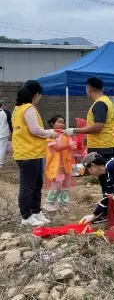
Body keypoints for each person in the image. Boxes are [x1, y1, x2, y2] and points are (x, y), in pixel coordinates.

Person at [11, 80, 59, 226]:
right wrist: (50, 133)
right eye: (40, 94)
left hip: (32, 152)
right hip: (29, 153)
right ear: (36, 94)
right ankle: (26, 217)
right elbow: (35, 130)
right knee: (28, 186)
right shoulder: (29, 108)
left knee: (37, 184)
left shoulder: (17, 109)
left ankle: (36, 212)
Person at [64, 77, 114, 195]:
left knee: (106, 179)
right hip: (109, 143)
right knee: (110, 179)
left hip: (102, 146)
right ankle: (110, 207)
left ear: (88, 88)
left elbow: (98, 126)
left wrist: (74, 130)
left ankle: (110, 208)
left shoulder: (99, 104)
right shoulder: (107, 101)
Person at [43, 115, 76, 213]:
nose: (62, 124)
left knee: (66, 184)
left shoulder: (66, 134)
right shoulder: (49, 134)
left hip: (66, 163)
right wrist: (69, 145)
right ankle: (49, 203)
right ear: (52, 123)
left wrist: (74, 146)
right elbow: (57, 148)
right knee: (56, 184)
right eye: (59, 122)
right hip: (55, 164)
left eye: (63, 122)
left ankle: (64, 204)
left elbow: (72, 146)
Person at [0, 100, 13, 170]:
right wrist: (12, 131)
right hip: (3, 133)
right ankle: (0, 164)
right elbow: (10, 123)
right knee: (2, 148)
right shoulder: (5, 113)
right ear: (2, 105)